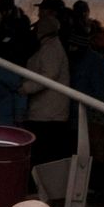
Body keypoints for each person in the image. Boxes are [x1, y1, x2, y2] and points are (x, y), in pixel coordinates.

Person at [21, 10, 71, 166]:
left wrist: (25, 88)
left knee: (44, 152)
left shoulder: (51, 49)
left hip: (48, 113)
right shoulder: (49, 47)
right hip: (46, 110)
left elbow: (48, 76)